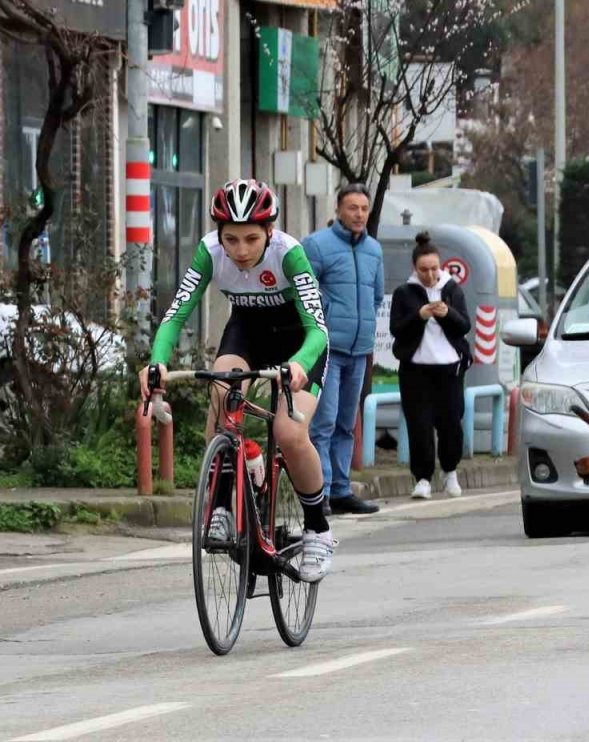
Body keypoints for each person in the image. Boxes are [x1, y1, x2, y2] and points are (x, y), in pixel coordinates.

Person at [139, 179, 336, 583]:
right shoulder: (210, 253)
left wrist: (299, 363)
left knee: (289, 432)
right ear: (218, 234)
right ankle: (223, 508)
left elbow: (317, 329)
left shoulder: (289, 254)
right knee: (222, 393)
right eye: (231, 239)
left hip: (301, 340)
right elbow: (176, 314)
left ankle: (318, 528)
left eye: (250, 239)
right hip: (247, 330)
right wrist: (157, 362)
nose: (241, 251)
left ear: (269, 232)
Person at [303, 183, 384, 516]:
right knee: (323, 423)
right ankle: (318, 493)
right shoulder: (316, 245)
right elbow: (304, 289)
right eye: (353, 208)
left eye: (364, 209)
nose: (359, 214)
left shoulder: (374, 250)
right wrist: (328, 309)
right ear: (338, 210)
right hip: (328, 349)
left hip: (359, 350)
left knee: (346, 424)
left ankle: (341, 490)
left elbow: (377, 296)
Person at [389, 232, 472, 499]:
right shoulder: (404, 293)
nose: (430, 274)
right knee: (419, 424)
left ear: (441, 266)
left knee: (450, 422)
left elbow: (464, 326)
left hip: (449, 367)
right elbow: (397, 329)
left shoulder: (452, 289)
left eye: (434, 268)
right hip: (416, 368)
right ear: (415, 268)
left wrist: (447, 314)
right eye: (424, 269)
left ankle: (450, 471)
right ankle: (423, 477)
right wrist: (419, 316)